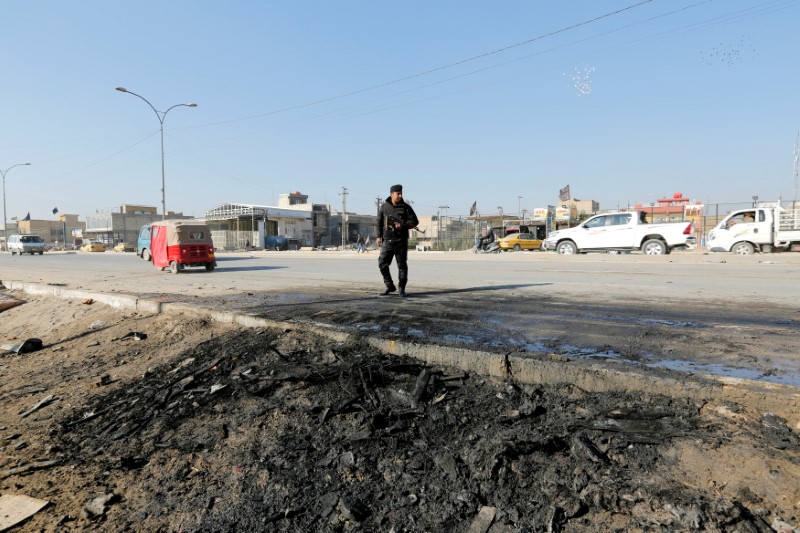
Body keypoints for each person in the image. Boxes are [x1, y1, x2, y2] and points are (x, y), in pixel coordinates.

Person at [377, 184, 419, 297]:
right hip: (387, 241)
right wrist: (378, 236)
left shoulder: (406, 207)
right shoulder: (384, 206)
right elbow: (379, 222)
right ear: (392, 194)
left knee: (402, 266)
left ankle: (402, 289)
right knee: (382, 264)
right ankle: (389, 286)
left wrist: (403, 225)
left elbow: (415, 221)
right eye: (398, 194)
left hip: (401, 241)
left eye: (401, 193)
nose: (400, 195)